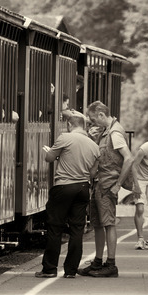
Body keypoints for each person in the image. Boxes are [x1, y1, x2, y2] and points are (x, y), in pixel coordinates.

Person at [35, 110, 100, 278]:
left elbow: (49, 158)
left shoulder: (65, 138)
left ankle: (49, 269)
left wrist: (51, 153)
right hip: (83, 188)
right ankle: (71, 270)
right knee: (77, 229)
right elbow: (93, 173)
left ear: (69, 125)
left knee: (55, 227)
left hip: (63, 187)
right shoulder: (94, 146)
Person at [80, 101, 133, 277]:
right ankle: (97, 262)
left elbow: (128, 158)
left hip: (108, 185)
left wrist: (118, 185)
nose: (93, 123)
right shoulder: (106, 131)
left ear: (102, 115)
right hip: (99, 183)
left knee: (109, 224)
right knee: (97, 224)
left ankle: (111, 264)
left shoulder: (115, 133)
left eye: (94, 119)